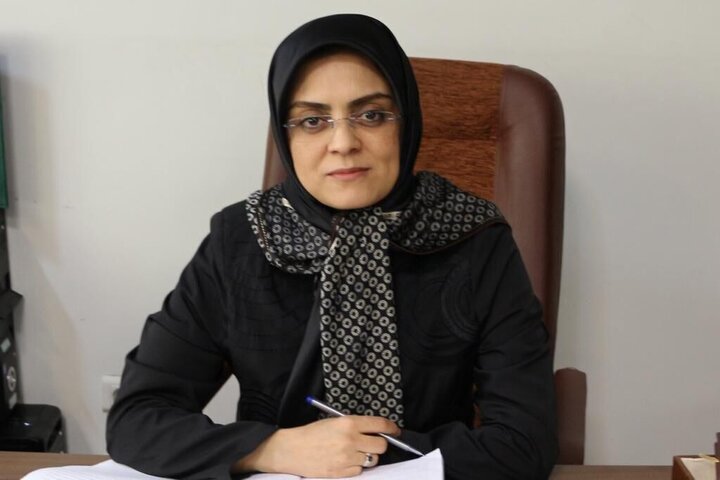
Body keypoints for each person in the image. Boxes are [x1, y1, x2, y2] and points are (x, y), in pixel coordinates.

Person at [106, 13, 557, 480]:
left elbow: (525, 443)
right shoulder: (241, 240)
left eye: (371, 115)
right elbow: (136, 421)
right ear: (286, 135)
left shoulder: (474, 237)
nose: (343, 142)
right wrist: (275, 449)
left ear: (406, 122)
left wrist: (361, 455)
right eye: (312, 120)